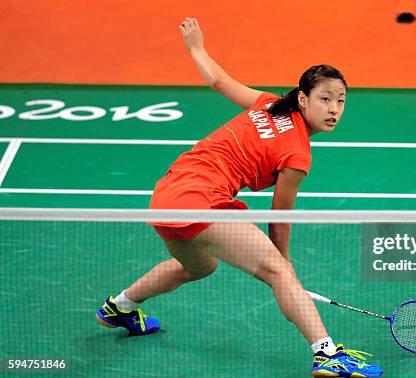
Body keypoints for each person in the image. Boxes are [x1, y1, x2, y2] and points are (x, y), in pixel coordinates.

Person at [95, 17, 382, 377]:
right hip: (198, 198)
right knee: (278, 271)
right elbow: (281, 221)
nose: (334, 109)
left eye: (340, 101)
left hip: (168, 194)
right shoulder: (298, 155)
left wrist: (196, 48)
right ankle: (327, 354)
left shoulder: (268, 103)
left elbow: (217, 81)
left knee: (199, 267)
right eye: (325, 99)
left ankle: (120, 306)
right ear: (304, 98)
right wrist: (285, 268)